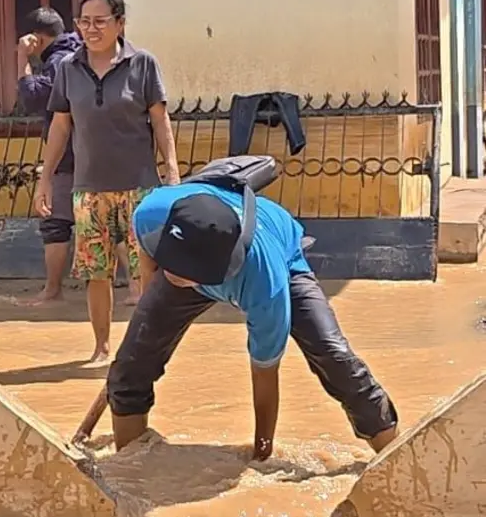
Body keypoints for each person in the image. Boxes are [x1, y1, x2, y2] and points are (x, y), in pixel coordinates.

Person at [107, 177, 398, 458]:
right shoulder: (151, 213)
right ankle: (130, 465)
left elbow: (265, 374)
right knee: (130, 367)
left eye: (184, 272)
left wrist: (261, 453)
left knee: (334, 357)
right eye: (171, 263)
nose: (174, 274)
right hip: (193, 251)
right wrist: (146, 325)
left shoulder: (265, 284)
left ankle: (393, 453)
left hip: (281, 256)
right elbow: (149, 257)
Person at [34, 0, 179, 364]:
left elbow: (161, 122)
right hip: (89, 190)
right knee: (96, 272)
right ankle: (101, 347)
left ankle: (144, 348)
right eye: (84, 21)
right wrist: (45, 178)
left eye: (100, 21)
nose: (90, 29)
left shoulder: (143, 64)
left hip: (140, 189)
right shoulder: (68, 68)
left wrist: (173, 172)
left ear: (120, 23)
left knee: (146, 271)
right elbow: (61, 128)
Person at [16, 7, 81, 303]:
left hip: (68, 153)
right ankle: (135, 290)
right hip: (99, 149)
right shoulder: (83, 53)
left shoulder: (57, 61)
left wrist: (23, 60)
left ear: (37, 38)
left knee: (55, 223)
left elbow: (32, 97)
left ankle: (52, 290)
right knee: (111, 218)